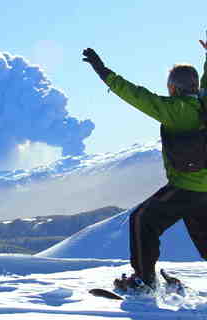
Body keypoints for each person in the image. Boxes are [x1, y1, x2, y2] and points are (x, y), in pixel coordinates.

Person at [83, 38, 207, 291]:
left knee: (142, 220)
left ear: (173, 88)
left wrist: (103, 71)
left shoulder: (175, 109)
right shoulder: (204, 102)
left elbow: (135, 95)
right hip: (205, 190)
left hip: (187, 186)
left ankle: (143, 281)